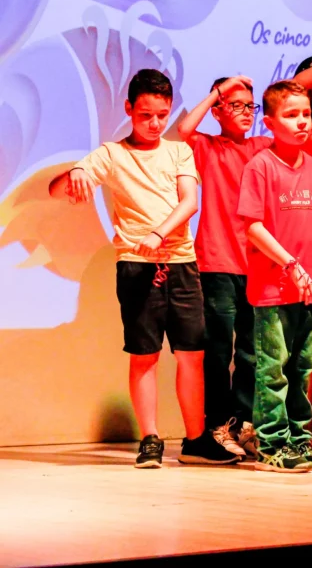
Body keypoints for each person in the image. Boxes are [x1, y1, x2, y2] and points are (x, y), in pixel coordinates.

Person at [48, 69, 238, 468]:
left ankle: (195, 439)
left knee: (191, 354)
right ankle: (150, 438)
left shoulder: (178, 152)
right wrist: (77, 171)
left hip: (181, 262)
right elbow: (57, 190)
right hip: (136, 265)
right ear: (129, 109)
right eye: (145, 115)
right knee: (144, 355)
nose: (154, 123)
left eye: (162, 115)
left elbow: (189, 202)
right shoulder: (112, 154)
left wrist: (159, 233)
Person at [238, 80, 312, 472]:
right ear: (270, 122)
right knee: (273, 369)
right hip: (274, 288)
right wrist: (290, 265)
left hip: (311, 289)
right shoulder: (260, 167)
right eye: (291, 115)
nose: (302, 121)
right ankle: (271, 444)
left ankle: (297, 437)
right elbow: (253, 227)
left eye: (306, 114)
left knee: (302, 368)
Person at [175, 75, 267, 457]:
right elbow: (183, 130)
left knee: (251, 351)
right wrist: (217, 91)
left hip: (257, 263)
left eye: (250, 106)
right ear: (217, 111)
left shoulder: (262, 148)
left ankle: (243, 423)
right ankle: (217, 425)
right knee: (217, 351)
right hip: (216, 262)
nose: (246, 113)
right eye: (235, 105)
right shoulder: (209, 147)